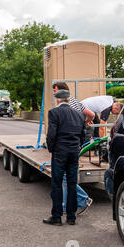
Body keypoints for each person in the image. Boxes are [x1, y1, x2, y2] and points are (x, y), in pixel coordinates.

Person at [44, 89, 85, 226]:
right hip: (74, 152)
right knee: (72, 184)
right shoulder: (79, 115)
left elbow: (51, 134)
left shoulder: (54, 113)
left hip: (60, 152)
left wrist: (51, 149)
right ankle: (71, 217)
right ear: (69, 99)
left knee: (57, 184)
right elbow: (83, 134)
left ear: (57, 100)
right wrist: (78, 147)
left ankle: (56, 217)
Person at [52, 82, 94, 216]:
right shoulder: (76, 102)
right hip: (76, 144)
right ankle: (71, 204)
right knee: (68, 176)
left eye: (55, 90)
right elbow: (91, 114)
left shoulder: (61, 107)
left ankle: (82, 198)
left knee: (64, 176)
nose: (53, 93)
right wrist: (85, 122)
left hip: (65, 146)